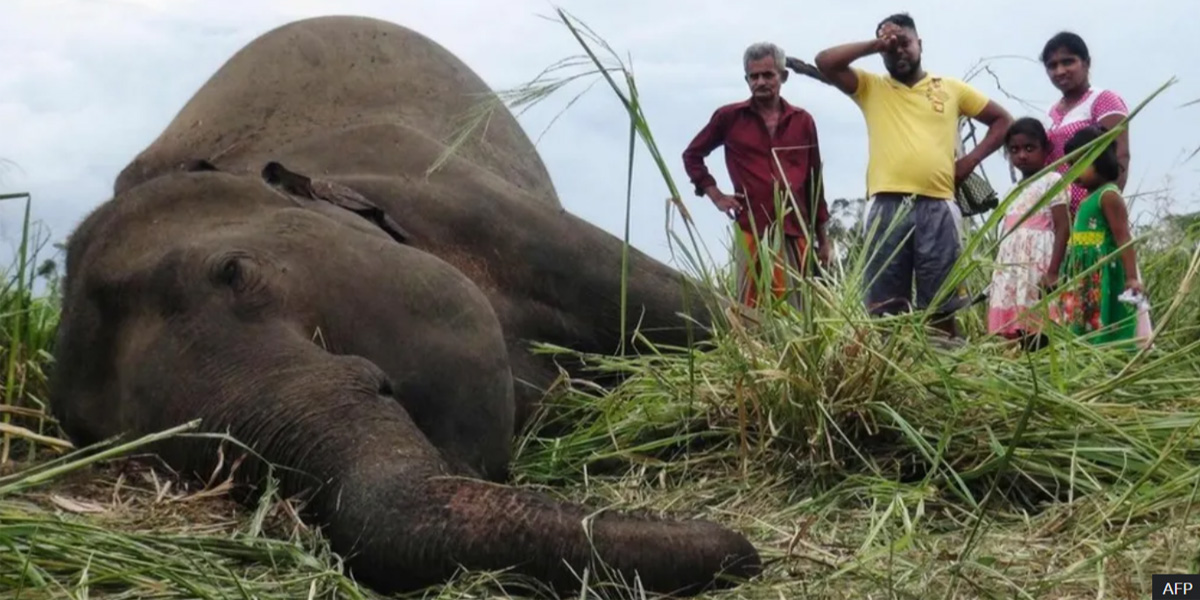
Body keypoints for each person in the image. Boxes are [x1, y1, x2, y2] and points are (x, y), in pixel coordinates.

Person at [811, 13, 1013, 338]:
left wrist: (969, 162)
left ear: (920, 44)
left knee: (942, 305)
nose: (897, 51)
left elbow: (1003, 120)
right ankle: (892, 379)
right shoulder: (871, 87)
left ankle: (946, 372)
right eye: (889, 48)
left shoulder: (950, 88)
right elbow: (825, 61)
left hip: (938, 207)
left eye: (903, 42)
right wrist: (877, 43)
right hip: (886, 208)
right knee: (885, 309)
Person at [683, 42, 830, 311]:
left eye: (768, 75)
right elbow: (692, 155)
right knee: (749, 309)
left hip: (793, 230)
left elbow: (814, 182)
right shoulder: (729, 117)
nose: (761, 82)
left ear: (783, 76)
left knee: (794, 310)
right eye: (754, 76)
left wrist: (824, 240)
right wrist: (716, 195)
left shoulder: (802, 121)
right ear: (747, 79)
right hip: (752, 226)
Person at [986, 117, 1070, 349]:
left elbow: (1063, 227)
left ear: (1045, 149)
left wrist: (1053, 271)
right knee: (1018, 323)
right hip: (1014, 268)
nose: (1022, 155)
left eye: (1029, 148)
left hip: (1037, 265)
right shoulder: (1012, 190)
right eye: (1015, 150)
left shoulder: (1052, 181)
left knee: (1040, 322)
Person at [1058, 125, 1145, 346]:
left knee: (1103, 319)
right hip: (1082, 271)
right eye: (1070, 165)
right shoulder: (1088, 198)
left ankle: (1108, 357)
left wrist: (1131, 277)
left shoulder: (1108, 196)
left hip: (1101, 270)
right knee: (1080, 322)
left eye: (1080, 164)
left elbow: (1123, 238)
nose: (1073, 172)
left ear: (1100, 159)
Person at [1041, 31, 1132, 216]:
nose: (1060, 71)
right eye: (1052, 65)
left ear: (1086, 63)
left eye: (1068, 62)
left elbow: (1120, 155)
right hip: (1058, 216)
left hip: (1091, 210)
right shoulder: (1050, 113)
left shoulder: (1103, 100)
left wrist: (1103, 207)